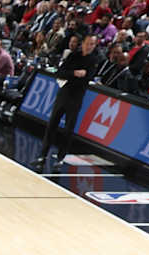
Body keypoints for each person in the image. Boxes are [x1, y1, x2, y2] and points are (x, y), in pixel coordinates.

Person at [45, 32, 101, 162]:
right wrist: (74, 73)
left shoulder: (94, 60)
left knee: (68, 128)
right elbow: (60, 72)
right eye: (87, 43)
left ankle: (61, 156)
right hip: (63, 93)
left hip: (76, 98)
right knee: (52, 123)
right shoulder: (73, 55)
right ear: (83, 43)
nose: (89, 46)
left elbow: (87, 77)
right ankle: (43, 153)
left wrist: (71, 75)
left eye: (92, 44)